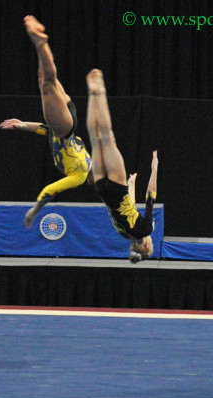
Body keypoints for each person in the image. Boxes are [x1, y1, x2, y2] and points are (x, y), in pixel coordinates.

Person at [0, 16, 91, 228]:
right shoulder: (80, 175)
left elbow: (47, 131)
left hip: (64, 123)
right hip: (64, 129)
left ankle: (40, 44)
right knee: (47, 84)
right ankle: (40, 42)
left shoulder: (86, 157)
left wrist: (23, 125)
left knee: (44, 79)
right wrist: (35, 210)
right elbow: (50, 190)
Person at [86, 68, 158, 262]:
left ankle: (100, 91)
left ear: (145, 245)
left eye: (151, 244)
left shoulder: (147, 229)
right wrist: (132, 184)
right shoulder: (124, 234)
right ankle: (93, 94)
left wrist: (154, 169)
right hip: (102, 190)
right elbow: (128, 209)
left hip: (118, 189)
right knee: (95, 139)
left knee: (107, 137)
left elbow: (150, 198)